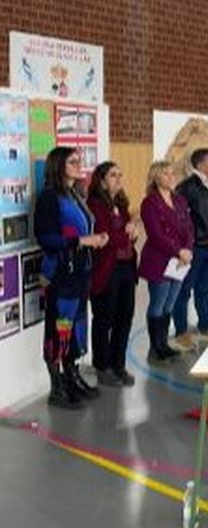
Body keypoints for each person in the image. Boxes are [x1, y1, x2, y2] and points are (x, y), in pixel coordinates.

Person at [34, 147, 109, 406]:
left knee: (76, 328)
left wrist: (96, 238)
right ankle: (57, 388)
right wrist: (81, 240)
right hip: (61, 276)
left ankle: (72, 377)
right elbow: (46, 238)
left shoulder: (75, 194)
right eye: (73, 161)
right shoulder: (49, 197)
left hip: (80, 273)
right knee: (59, 330)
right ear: (59, 166)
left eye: (80, 160)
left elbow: (83, 229)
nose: (80, 165)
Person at [86, 161, 139, 388]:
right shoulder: (96, 204)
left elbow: (126, 233)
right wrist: (126, 233)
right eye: (113, 175)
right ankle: (102, 366)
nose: (118, 179)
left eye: (120, 174)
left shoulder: (121, 202)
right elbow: (106, 239)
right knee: (104, 319)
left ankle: (119, 364)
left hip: (126, 265)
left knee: (124, 318)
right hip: (107, 269)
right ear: (101, 180)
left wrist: (133, 232)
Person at [138, 160, 194, 364]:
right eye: (166, 174)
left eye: (172, 173)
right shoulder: (150, 203)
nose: (171, 177)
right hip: (160, 260)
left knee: (170, 304)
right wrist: (178, 251)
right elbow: (156, 234)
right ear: (156, 177)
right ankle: (156, 347)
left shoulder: (180, 200)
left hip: (180, 261)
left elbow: (189, 228)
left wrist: (187, 249)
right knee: (158, 304)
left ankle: (164, 343)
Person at [172, 147, 208, 350]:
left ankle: (205, 324)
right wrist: (185, 247)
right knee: (184, 291)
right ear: (201, 165)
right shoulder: (186, 187)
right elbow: (179, 220)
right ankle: (181, 330)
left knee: (204, 289)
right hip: (194, 249)